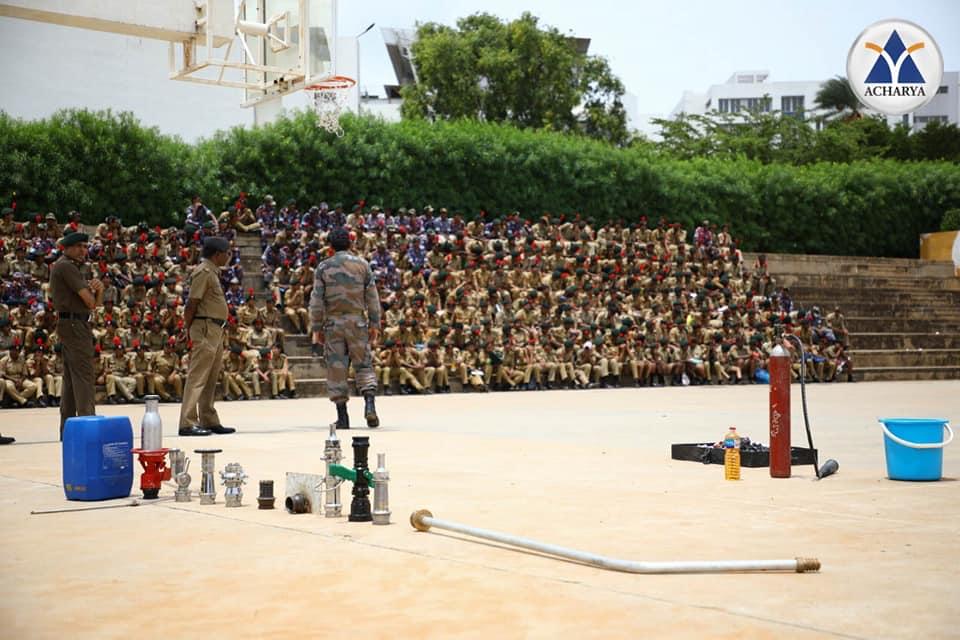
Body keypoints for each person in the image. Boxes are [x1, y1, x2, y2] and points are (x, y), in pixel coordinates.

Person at [309, 226, 381, 429]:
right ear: (350, 243)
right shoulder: (363, 265)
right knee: (364, 364)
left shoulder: (324, 267)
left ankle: (343, 417)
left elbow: (316, 301)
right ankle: (369, 405)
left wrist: (316, 328)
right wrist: (375, 324)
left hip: (334, 325)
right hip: (357, 322)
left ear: (330, 246)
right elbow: (372, 297)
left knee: (337, 368)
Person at [178, 236, 236, 436]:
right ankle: (187, 422)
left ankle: (208, 419)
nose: (229, 257)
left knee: (210, 378)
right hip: (204, 327)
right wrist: (186, 329)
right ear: (217, 254)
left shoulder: (212, 272)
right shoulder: (203, 272)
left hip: (215, 329)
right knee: (198, 377)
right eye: (227, 253)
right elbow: (192, 303)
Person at [49, 231, 103, 440]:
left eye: (85, 246)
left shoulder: (69, 266)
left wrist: (99, 291)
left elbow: (94, 305)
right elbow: (90, 302)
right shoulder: (66, 267)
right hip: (74, 324)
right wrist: (97, 291)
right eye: (79, 246)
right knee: (84, 377)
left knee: (72, 381)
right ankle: (89, 429)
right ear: (67, 247)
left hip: (74, 323)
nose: (83, 250)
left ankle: (69, 431)